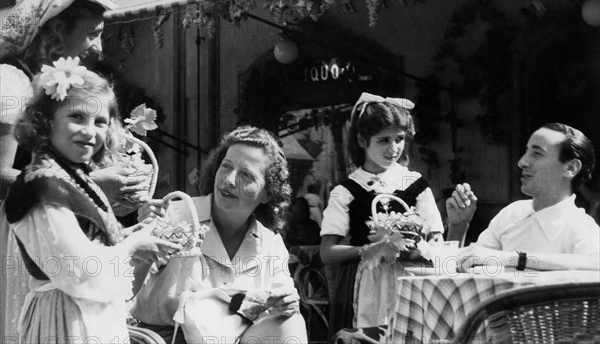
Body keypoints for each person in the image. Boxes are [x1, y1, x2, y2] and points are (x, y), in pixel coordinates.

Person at [0, 0, 151, 338]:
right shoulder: (10, 83)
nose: (98, 47)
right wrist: (88, 184)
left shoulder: (66, 89)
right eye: (92, 34)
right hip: (26, 232)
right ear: (55, 31)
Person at [2, 64, 181, 342]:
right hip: (65, 320)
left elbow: (90, 245)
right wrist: (132, 245)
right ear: (47, 121)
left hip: (90, 316)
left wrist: (138, 233)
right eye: (77, 117)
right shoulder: (44, 184)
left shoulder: (72, 177)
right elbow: (80, 271)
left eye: (100, 122)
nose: (89, 131)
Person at [134, 126, 307, 343]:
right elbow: (125, 287)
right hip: (166, 338)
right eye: (226, 167)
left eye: (246, 175)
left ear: (266, 194)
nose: (229, 180)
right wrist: (140, 240)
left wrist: (286, 302)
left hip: (237, 338)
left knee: (291, 323)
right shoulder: (178, 215)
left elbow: (284, 310)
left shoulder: (271, 243)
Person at [319, 92, 447, 333]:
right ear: (361, 140)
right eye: (383, 140)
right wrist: (370, 249)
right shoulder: (346, 190)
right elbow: (327, 252)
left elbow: (436, 239)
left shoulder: (415, 183)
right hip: (367, 282)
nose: (394, 148)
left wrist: (422, 248)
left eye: (399, 139)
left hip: (412, 279)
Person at [456, 123, 600, 272]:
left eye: (537, 153)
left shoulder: (582, 227)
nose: (522, 162)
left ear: (570, 168)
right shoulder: (511, 213)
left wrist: (514, 258)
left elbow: (595, 264)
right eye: (527, 151)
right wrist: (458, 227)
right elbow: (465, 264)